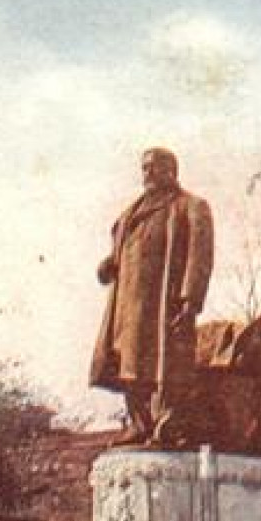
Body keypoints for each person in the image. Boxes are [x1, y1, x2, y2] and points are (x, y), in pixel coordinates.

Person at [90, 147, 214, 446]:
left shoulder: (190, 206)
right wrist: (109, 263)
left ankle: (168, 424)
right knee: (128, 363)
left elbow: (200, 256)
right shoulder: (129, 213)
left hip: (163, 301)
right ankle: (139, 423)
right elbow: (122, 252)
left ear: (170, 171)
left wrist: (190, 299)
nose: (145, 173)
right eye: (143, 167)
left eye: (152, 167)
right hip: (127, 305)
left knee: (167, 362)